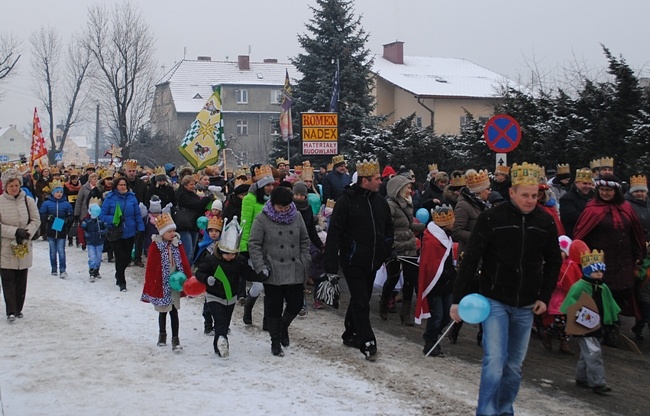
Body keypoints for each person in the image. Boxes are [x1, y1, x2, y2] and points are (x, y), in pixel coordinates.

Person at [450, 162, 562, 416]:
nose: (531, 200)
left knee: (513, 366)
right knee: (494, 361)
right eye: (525, 195)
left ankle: (504, 409)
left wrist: (544, 296)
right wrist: (457, 300)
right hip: (495, 301)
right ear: (512, 192)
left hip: (526, 304)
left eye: (535, 196)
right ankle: (486, 412)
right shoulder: (492, 218)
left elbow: (554, 260)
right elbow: (471, 258)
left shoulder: (544, 221)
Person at [324, 159, 393, 361]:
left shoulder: (380, 202)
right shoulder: (346, 202)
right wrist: (331, 266)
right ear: (365, 180)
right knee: (362, 300)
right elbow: (334, 234)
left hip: (373, 261)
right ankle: (367, 341)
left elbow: (388, 229)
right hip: (352, 260)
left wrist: (385, 249)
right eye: (377, 179)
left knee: (360, 297)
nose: (381, 182)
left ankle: (349, 333)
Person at [573, 174, 645, 346]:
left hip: (624, 260)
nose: (605, 193)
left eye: (608, 190)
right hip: (602, 261)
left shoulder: (626, 207)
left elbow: (635, 233)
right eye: (602, 190)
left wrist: (638, 254)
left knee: (624, 292)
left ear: (615, 191)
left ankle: (613, 323)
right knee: (604, 293)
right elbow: (580, 236)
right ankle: (605, 327)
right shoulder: (591, 209)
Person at [248, 186, 311, 357]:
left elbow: (304, 240)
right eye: (280, 207)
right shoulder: (262, 219)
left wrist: (305, 260)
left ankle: (284, 326)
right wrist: (261, 267)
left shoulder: (296, 216)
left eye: (286, 207)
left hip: (294, 268)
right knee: (274, 308)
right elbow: (254, 244)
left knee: (296, 304)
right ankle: (275, 341)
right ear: (273, 204)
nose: (283, 210)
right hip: (273, 269)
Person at [195, 217, 258, 357]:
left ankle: (219, 345)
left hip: (230, 297)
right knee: (219, 320)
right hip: (214, 296)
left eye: (233, 254)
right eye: (227, 253)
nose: (230, 256)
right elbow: (199, 273)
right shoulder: (211, 260)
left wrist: (262, 275)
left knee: (226, 320)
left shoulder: (239, 261)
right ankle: (222, 341)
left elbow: (248, 273)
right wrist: (207, 279)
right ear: (221, 250)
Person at [560, 249, 620, 395]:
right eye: (596, 271)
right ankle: (598, 383)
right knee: (594, 353)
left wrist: (611, 321)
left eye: (601, 271)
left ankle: (582, 377)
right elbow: (570, 304)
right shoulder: (580, 286)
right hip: (583, 327)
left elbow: (609, 304)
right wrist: (571, 320)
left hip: (597, 327)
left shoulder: (602, 287)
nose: (600, 274)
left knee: (586, 353)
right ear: (588, 271)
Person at [448, 169, 490, 344]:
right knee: (468, 295)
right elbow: (456, 230)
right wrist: (477, 237)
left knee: (485, 294)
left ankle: (483, 335)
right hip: (470, 256)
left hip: (485, 255)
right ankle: (454, 328)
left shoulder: (484, 205)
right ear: (478, 191)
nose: (489, 191)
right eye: (487, 188)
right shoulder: (463, 206)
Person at [140, 212, 192, 351]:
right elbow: (151, 267)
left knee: (174, 312)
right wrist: (153, 282)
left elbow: (184, 262)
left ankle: (176, 338)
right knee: (163, 312)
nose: (172, 233)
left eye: (174, 230)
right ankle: (162, 335)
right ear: (162, 232)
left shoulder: (177, 244)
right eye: (169, 231)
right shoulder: (155, 246)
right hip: (161, 286)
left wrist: (188, 279)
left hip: (174, 285)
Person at [379, 174, 425, 325]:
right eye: (408, 187)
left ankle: (405, 313)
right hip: (396, 247)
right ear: (398, 189)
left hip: (410, 245)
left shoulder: (408, 203)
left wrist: (426, 227)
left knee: (410, 280)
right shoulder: (389, 205)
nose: (410, 191)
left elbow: (409, 224)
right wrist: (390, 246)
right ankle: (384, 303)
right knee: (392, 278)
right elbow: (387, 228)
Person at [415, 205, 457, 357]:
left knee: (447, 314)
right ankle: (431, 342)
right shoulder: (432, 241)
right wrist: (447, 273)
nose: (455, 222)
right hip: (435, 284)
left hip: (447, 282)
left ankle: (432, 336)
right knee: (437, 315)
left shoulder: (447, 237)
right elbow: (430, 266)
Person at [0, 168, 41, 322]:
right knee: (8, 279)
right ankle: (10, 309)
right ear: (5, 186)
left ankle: (19, 308)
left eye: (16, 185)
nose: (14, 188)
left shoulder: (27, 200)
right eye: (11, 186)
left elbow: (36, 220)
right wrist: (14, 231)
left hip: (23, 244)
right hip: (6, 246)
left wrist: (27, 232)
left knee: (21, 279)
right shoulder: (0, 202)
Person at [240, 164, 275, 327]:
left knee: (271, 284)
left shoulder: (274, 200)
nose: (270, 187)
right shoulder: (249, 199)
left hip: (271, 247)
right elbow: (245, 224)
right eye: (267, 185)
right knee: (259, 284)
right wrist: (244, 247)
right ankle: (248, 306)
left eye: (272, 184)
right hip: (254, 247)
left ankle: (268, 320)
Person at [100, 177, 145, 292]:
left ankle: (119, 273)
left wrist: (140, 227)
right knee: (119, 257)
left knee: (127, 258)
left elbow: (137, 214)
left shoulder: (132, 197)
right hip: (116, 232)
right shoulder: (110, 198)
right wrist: (114, 219)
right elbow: (102, 215)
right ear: (116, 186)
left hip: (130, 232)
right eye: (120, 185)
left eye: (124, 185)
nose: (123, 187)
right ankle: (121, 280)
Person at [542, 236, 582, 354]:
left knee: (568, 321)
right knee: (561, 320)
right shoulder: (552, 264)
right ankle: (549, 332)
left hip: (568, 296)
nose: (560, 254)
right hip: (557, 297)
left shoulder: (572, 265)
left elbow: (577, 279)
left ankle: (563, 342)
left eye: (562, 252)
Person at [174, 174, 214, 265]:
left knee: (192, 249)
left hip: (193, 225)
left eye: (193, 184)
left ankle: (189, 269)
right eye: (191, 185)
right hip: (185, 224)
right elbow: (196, 204)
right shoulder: (182, 195)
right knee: (188, 251)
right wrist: (207, 198)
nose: (193, 186)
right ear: (185, 185)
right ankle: (186, 271)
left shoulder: (191, 193)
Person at [39, 180, 74, 278]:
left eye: (61, 192)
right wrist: (47, 218)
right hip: (51, 230)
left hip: (61, 230)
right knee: (53, 251)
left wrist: (66, 220)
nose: (59, 194)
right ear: (53, 193)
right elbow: (42, 215)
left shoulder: (66, 204)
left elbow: (71, 216)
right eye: (57, 192)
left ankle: (62, 269)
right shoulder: (47, 203)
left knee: (61, 250)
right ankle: (54, 268)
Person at [123, 160, 147, 267]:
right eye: (130, 171)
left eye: (133, 171)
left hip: (138, 213)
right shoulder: (122, 183)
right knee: (127, 237)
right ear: (126, 171)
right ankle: (127, 258)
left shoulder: (141, 184)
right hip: (126, 213)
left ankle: (137, 257)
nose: (132, 173)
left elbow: (145, 197)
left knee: (139, 236)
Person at [559, 168, 594, 238]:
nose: (587, 186)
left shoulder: (594, 196)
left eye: (589, 184)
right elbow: (572, 217)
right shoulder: (566, 198)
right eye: (584, 183)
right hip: (574, 236)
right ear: (576, 183)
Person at [81, 199, 108, 282]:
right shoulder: (87, 221)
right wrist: (85, 235)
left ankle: (97, 270)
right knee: (92, 257)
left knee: (99, 258)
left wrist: (103, 232)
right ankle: (92, 271)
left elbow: (106, 228)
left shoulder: (101, 221)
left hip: (99, 241)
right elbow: (82, 229)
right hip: (90, 242)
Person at [75, 172, 99, 250]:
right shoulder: (84, 188)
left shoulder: (99, 188)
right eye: (94, 179)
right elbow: (79, 200)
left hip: (96, 210)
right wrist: (77, 213)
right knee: (84, 226)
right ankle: (83, 241)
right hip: (85, 210)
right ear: (90, 180)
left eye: (96, 179)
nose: (96, 180)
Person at [63, 169, 82, 247]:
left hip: (77, 206)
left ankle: (78, 240)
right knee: (69, 223)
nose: (74, 181)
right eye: (73, 179)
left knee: (77, 223)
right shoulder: (66, 186)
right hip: (68, 205)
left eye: (76, 179)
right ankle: (69, 239)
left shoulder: (80, 186)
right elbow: (64, 195)